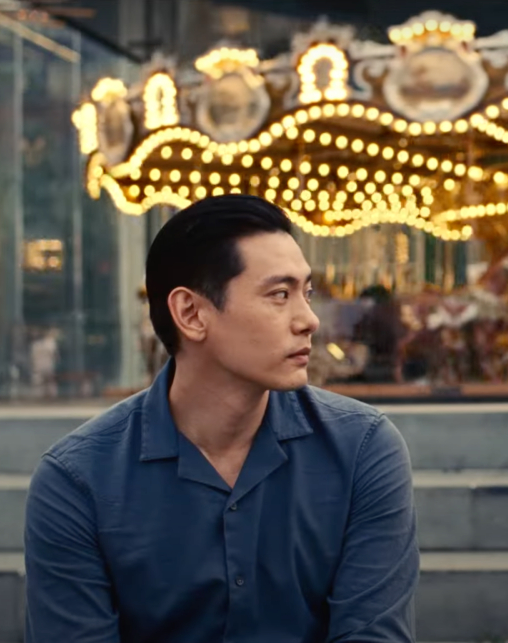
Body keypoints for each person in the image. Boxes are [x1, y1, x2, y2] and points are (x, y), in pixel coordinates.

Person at [24, 195, 419, 643]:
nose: (308, 319)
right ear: (191, 314)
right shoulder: (77, 481)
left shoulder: (362, 449)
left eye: (306, 293)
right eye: (279, 295)